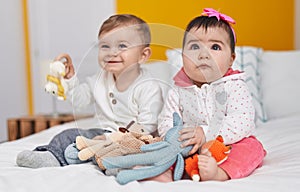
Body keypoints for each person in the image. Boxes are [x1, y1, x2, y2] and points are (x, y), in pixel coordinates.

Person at [16, 14, 163, 168]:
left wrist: (114, 139)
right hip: (100, 133)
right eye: (105, 46)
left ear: (143, 55)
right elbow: (80, 100)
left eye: (122, 46)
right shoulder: (99, 80)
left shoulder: (149, 87)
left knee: (133, 150)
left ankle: (114, 164)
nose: (112, 52)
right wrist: (71, 80)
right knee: (68, 135)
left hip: (131, 138)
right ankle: (52, 155)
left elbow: (148, 125)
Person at [157, 8, 266, 181]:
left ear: (231, 59)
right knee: (160, 145)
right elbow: (166, 120)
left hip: (226, 144)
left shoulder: (234, 86)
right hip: (189, 146)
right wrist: (179, 137)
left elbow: (242, 120)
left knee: (252, 147)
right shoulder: (178, 89)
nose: (203, 54)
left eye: (215, 47)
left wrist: (206, 133)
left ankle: (220, 172)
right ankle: (164, 171)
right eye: (194, 46)